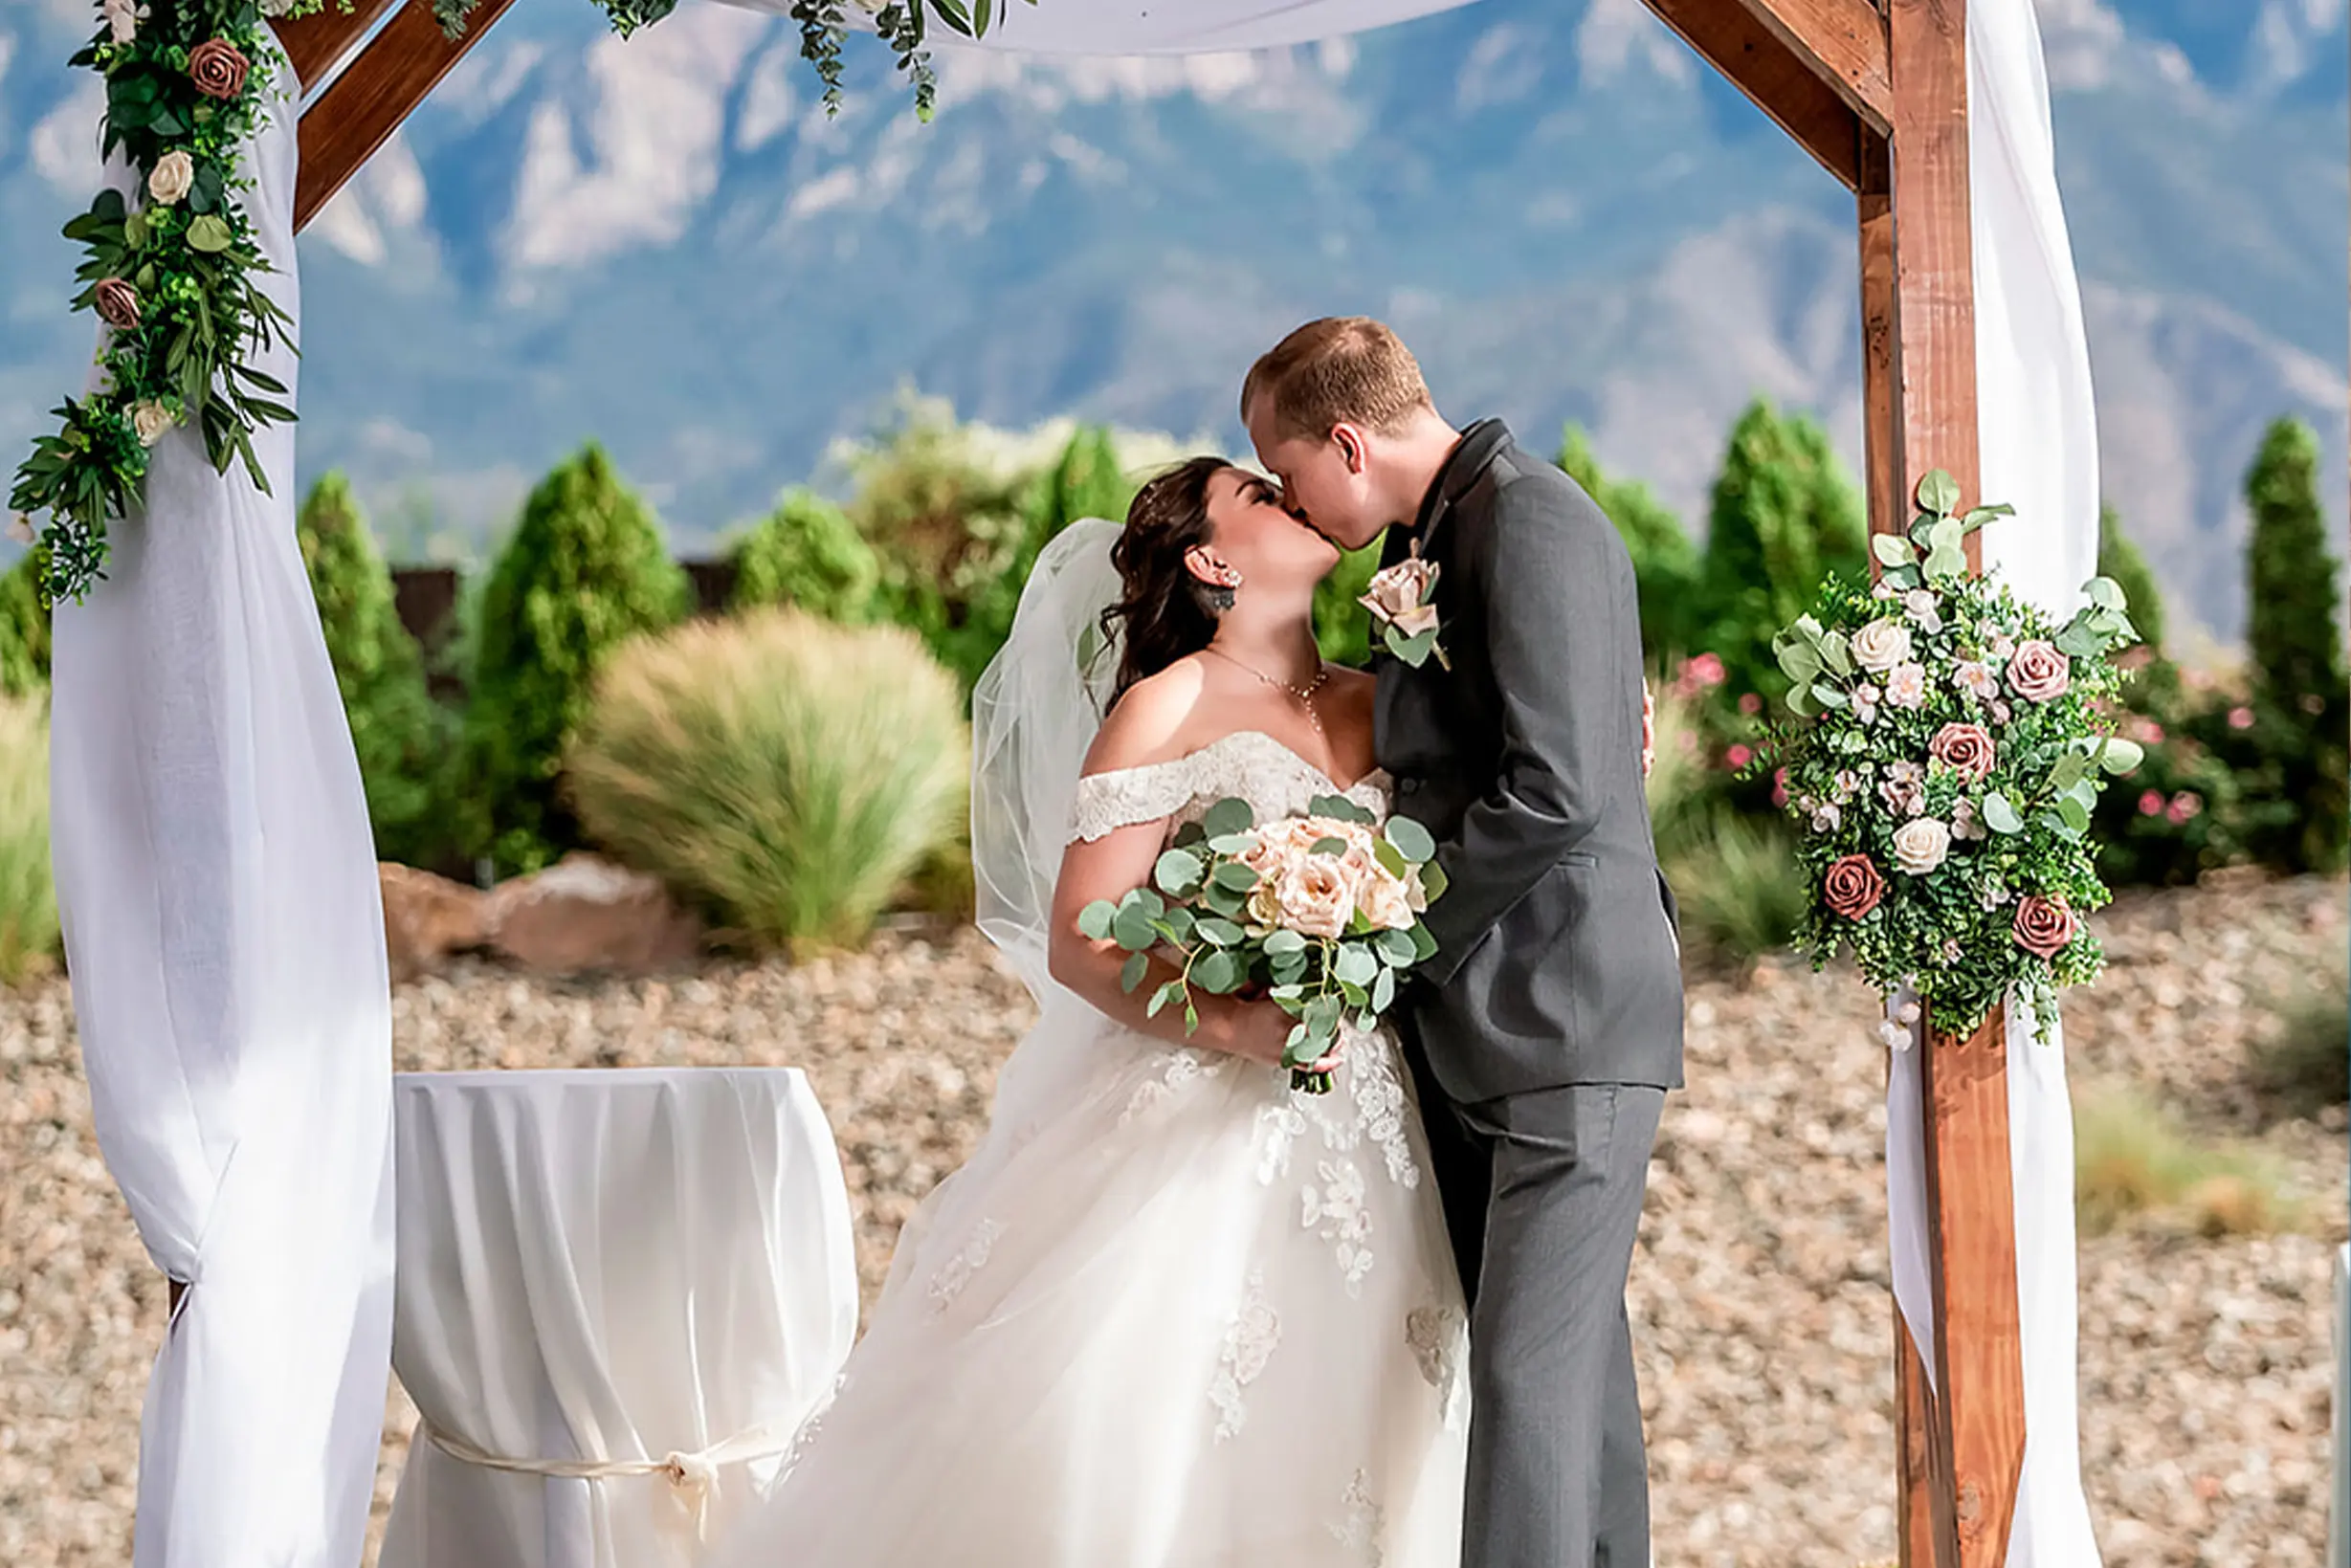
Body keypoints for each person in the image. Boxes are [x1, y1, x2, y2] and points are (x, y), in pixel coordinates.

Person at [704, 458, 1471, 1567]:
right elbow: (1082, 935)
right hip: (1211, 1099)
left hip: (1371, 1107)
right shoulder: (1171, 705)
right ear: (1212, 560)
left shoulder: (1378, 697)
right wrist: (1236, 1019)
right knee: (1160, 1416)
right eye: (1260, 495)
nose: (1294, 496)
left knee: (1368, 1404)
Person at [1245, 317, 1684, 1568]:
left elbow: (1558, 790)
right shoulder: (1426, 540)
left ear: (1343, 440)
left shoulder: (1530, 519)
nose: (1290, 499)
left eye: (1285, 472)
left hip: (1564, 1010)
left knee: (1527, 1383)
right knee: (1572, 1383)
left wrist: (1387, 935)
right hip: (1493, 1020)